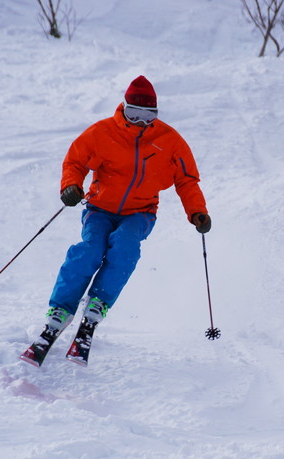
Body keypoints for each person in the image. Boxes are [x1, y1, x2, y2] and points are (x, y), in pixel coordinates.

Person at [23, 75, 211, 365]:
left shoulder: (170, 141)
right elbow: (75, 161)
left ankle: (96, 308)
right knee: (89, 251)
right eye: (134, 113)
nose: (139, 122)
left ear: (156, 115)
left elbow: (187, 181)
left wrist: (197, 212)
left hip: (140, 212)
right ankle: (60, 312)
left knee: (125, 247)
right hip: (99, 209)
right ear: (123, 108)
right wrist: (70, 186)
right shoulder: (102, 132)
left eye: (148, 116)